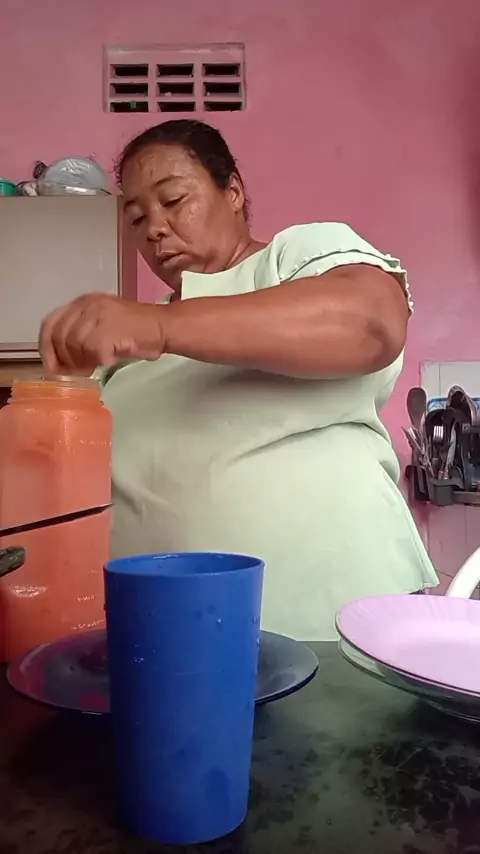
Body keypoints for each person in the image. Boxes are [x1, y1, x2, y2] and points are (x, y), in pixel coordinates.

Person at [39, 119, 438, 639]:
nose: (154, 228)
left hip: (333, 626)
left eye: (174, 200)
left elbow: (370, 322)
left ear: (232, 192)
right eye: (136, 218)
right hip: (169, 637)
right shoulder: (126, 348)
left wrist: (157, 325)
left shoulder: (294, 258)